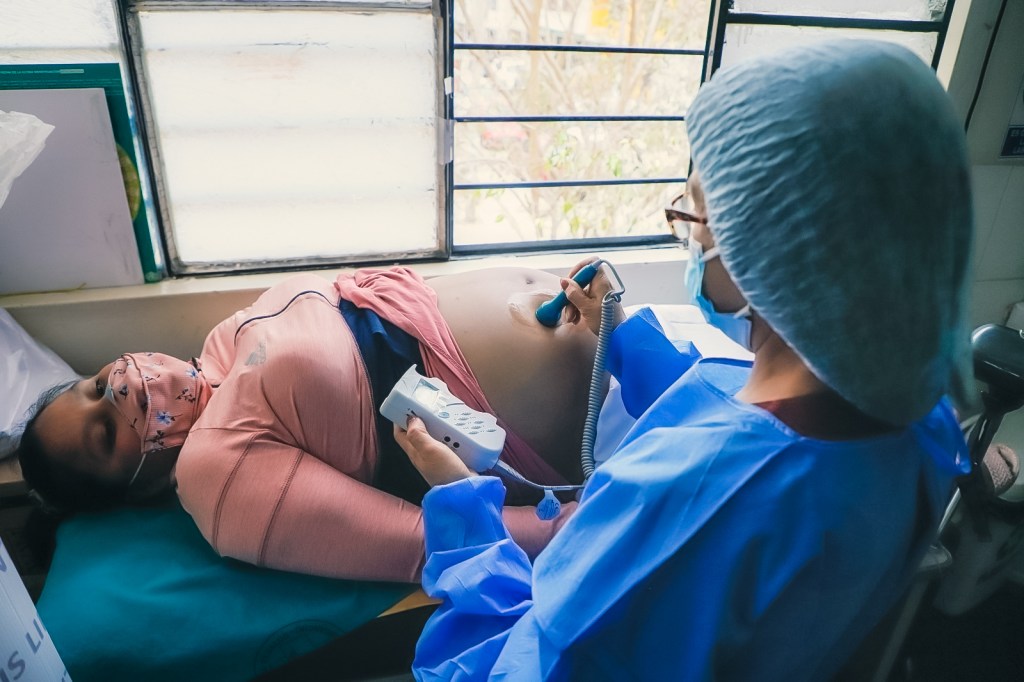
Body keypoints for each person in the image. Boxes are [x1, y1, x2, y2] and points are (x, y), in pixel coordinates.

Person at [394, 39, 975, 680]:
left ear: (769, 241)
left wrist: (466, 515)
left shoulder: (682, 497)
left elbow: (517, 669)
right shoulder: (922, 421)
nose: (689, 235)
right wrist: (619, 340)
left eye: (693, 213)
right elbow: (728, 410)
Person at [16, 266, 599, 582]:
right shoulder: (215, 478)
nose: (121, 389)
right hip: (553, 425)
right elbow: (413, 540)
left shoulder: (222, 342)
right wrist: (571, 528)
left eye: (94, 387)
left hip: (601, 334)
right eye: (105, 432)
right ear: (137, 489)